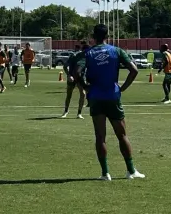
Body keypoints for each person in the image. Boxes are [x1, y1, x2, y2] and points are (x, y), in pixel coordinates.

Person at [74, 24, 144, 180]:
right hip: (112, 96)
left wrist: (86, 87)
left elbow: (76, 73)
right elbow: (134, 70)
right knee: (122, 135)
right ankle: (131, 171)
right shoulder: (116, 51)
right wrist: (122, 88)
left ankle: (105, 173)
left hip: (96, 97)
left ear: (93, 36)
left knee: (100, 136)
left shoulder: (88, 53)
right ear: (108, 36)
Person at [61, 41, 88, 119]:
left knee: (83, 94)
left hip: (81, 78)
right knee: (69, 94)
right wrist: (69, 76)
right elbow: (65, 66)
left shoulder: (88, 57)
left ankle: (79, 113)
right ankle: (66, 111)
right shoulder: (74, 56)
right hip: (72, 77)